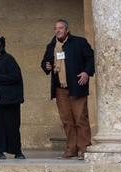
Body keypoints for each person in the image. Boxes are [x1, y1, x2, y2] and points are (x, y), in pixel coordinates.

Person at [39, 19, 95, 158]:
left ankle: (84, 149)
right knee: (67, 120)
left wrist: (87, 72)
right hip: (60, 88)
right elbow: (45, 62)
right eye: (55, 28)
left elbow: (91, 58)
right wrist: (46, 66)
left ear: (67, 30)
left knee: (80, 118)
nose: (57, 30)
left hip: (77, 86)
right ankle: (71, 149)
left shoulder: (79, 42)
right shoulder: (52, 45)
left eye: (61, 28)